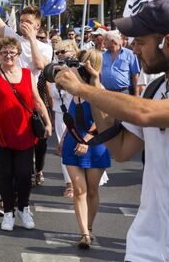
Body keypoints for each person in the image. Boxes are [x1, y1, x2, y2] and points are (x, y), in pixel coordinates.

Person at [54, 0, 169, 261]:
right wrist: (94, 89)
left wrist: (81, 89)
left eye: (140, 42)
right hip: (146, 243)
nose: (133, 48)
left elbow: (144, 113)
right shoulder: (156, 90)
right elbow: (120, 149)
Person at [0, 37, 52, 231]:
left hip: (25, 133)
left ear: (18, 55)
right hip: (1, 134)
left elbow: (37, 101)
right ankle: (9, 213)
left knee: (23, 174)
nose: (8, 56)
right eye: (4, 52)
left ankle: (23, 208)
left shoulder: (28, 74)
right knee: (6, 174)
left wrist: (47, 121)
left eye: (12, 52)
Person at [59, 49, 111, 249]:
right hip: (73, 143)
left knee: (91, 190)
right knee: (79, 190)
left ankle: (89, 227)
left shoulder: (99, 88)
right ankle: (84, 234)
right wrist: (64, 139)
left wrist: (86, 140)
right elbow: (70, 117)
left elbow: (103, 120)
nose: (79, 68)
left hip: (95, 145)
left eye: (84, 65)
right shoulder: (74, 90)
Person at [48, 39, 77, 198]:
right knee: (65, 146)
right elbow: (53, 93)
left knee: (81, 144)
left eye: (62, 51)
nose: (59, 55)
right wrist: (62, 86)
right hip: (61, 113)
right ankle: (69, 184)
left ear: (73, 50)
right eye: (57, 52)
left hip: (80, 111)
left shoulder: (81, 67)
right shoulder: (54, 69)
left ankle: (83, 180)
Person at [100, 30, 140, 95]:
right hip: (106, 93)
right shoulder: (102, 55)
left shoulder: (130, 54)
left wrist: (137, 94)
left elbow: (135, 75)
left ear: (112, 41)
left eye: (105, 40)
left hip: (124, 93)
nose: (103, 42)